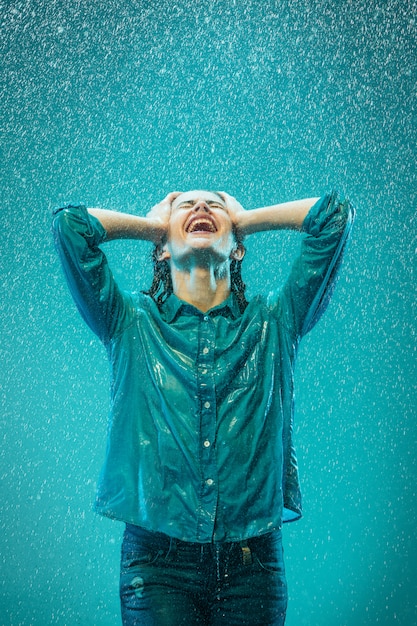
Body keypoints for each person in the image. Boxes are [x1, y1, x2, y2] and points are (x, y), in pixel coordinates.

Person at [52, 188, 355, 625]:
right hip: (157, 565)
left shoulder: (275, 320)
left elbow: (335, 218)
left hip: (253, 567)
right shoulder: (130, 323)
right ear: (160, 252)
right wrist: (152, 226)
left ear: (238, 248)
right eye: (185, 206)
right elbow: (69, 229)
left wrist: (246, 218)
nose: (200, 208)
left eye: (215, 204)